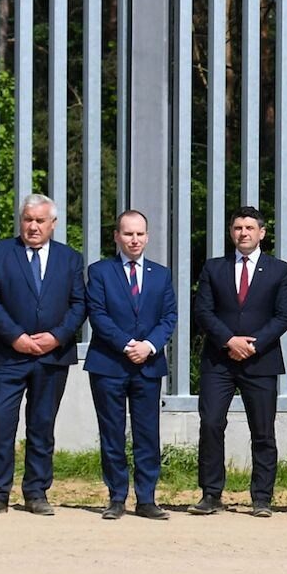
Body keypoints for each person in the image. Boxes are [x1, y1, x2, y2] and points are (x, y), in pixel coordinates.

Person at [0, 193, 86, 516]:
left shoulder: (70, 259)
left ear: (53, 224)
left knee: (42, 425)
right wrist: (16, 337)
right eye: (28, 220)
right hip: (6, 356)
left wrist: (56, 337)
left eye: (40, 221)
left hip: (52, 357)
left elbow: (79, 304)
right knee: (0, 423)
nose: (33, 227)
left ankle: (36, 492)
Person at [193, 204, 287, 516]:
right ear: (231, 232)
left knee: (263, 430)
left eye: (250, 228)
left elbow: (285, 315)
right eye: (238, 228)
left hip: (260, 360)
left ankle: (262, 497)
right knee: (211, 423)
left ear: (262, 233)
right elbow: (203, 311)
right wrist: (229, 340)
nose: (243, 233)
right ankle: (211, 493)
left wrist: (254, 344)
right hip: (219, 360)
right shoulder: (214, 268)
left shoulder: (279, 270)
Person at [84, 210, 176, 520]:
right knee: (112, 432)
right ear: (117, 237)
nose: (134, 240)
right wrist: (126, 345)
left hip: (148, 366)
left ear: (147, 237)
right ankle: (117, 497)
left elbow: (169, 318)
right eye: (127, 234)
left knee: (147, 433)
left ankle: (147, 498)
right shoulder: (99, 272)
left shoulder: (161, 274)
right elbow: (98, 315)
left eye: (139, 234)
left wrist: (148, 346)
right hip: (109, 363)